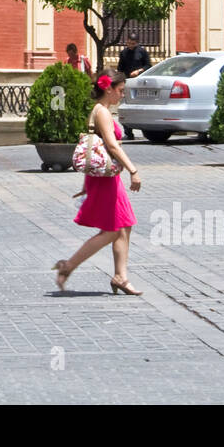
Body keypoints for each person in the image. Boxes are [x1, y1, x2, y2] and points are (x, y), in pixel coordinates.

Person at [52, 72, 143, 295]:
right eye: (120, 90)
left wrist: (86, 182)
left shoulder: (102, 111)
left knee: (125, 224)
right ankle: (68, 266)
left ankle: (120, 276)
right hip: (106, 181)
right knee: (112, 231)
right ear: (108, 89)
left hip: (105, 177)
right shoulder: (102, 112)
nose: (122, 94)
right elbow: (111, 146)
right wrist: (133, 171)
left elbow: (95, 147)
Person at [116, 32, 151, 139]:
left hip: (140, 83)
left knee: (141, 107)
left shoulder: (142, 52)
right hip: (127, 83)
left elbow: (148, 66)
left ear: (137, 43)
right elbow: (120, 69)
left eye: (133, 43)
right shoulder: (123, 53)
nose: (130, 45)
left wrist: (139, 71)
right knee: (126, 107)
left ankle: (146, 130)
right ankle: (128, 132)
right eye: (129, 43)